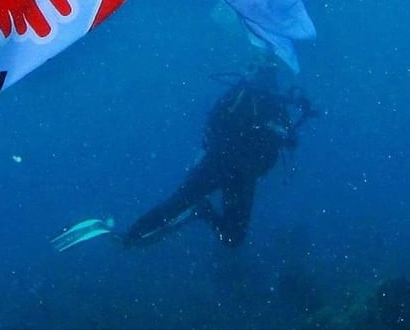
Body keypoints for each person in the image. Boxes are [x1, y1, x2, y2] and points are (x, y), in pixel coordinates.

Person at [120, 62, 317, 248]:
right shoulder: (242, 97)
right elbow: (214, 125)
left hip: (235, 172)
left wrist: (293, 116)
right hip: (224, 167)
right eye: (261, 73)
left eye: (267, 75)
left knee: (228, 236)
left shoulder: (271, 104)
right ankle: (130, 236)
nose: (264, 80)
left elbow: (290, 140)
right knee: (179, 208)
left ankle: (192, 214)